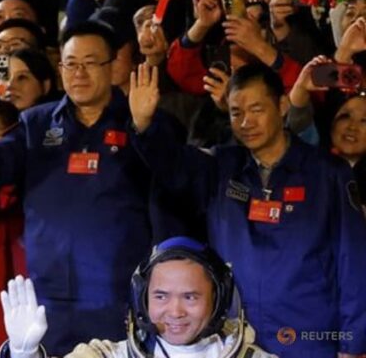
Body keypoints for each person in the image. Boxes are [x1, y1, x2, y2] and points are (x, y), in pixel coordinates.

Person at [0, 20, 177, 354]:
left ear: (113, 64)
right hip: (49, 294)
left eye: (90, 63)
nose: (79, 73)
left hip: (120, 292)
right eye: (71, 64)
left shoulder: (139, 118)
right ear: (60, 69)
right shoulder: (36, 123)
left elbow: (174, 175)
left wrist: (146, 126)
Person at [129, 62, 366, 357]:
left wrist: (352, 343)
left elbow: (353, 261)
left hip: (310, 337)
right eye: (236, 112)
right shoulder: (221, 166)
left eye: (256, 110)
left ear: (281, 105)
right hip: (237, 340)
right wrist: (144, 125)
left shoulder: (328, 173)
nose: (245, 122)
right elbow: (174, 166)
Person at [0, 237, 275, 358]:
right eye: (161, 296)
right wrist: (24, 354)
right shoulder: (108, 355)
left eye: (190, 297)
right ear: (142, 299)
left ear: (218, 300)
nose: (175, 311)